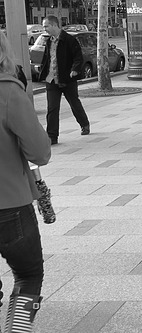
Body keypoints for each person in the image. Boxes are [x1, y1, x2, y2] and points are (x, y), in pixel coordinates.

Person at [0, 31, 52, 333]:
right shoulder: (8, 92)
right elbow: (40, 153)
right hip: (10, 204)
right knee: (28, 275)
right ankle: (17, 330)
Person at [39, 15, 90, 145]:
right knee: (52, 108)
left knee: (74, 103)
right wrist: (42, 72)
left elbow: (78, 57)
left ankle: (84, 124)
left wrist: (74, 69)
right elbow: (48, 59)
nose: (44, 29)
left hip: (67, 79)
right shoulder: (49, 41)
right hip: (51, 80)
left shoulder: (69, 40)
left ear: (54, 25)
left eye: (46, 26)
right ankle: (52, 137)